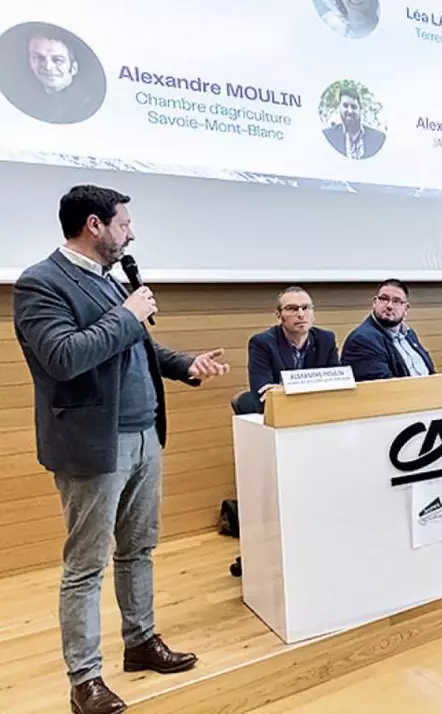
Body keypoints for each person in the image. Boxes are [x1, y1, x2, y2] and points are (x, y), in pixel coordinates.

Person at [12, 185, 230, 714]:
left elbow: (139, 346)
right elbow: (64, 357)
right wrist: (128, 314)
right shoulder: (41, 284)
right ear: (95, 224)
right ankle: (84, 680)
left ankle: (140, 641)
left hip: (143, 434)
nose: (131, 232)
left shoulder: (108, 283)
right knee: (86, 563)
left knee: (139, 549)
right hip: (92, 444)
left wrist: (186, 366)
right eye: (124, 222)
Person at [247, 286, 340, 412]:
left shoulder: (326, 339)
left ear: (313, 314)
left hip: (320, 412)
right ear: (279, 316)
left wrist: (287, 389)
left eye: (306, 308)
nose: (301, 314)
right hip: (281, 416)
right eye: (292, 309)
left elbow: (337, 386)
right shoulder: (262, 343)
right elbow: (264, 397)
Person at [341, 279, 434, 381]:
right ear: (375, 302)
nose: (389, 306)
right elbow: (385, 388)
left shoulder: (409, 334)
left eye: (396, 301)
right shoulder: (362, 340)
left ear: (406, 308)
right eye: (384, 299)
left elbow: (430, 371)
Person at [322, 86, 386, 159]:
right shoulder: (328, 136)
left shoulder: (378, 138)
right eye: (345, 106)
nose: (350, 111)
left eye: (353, 107)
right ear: (339, 108)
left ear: (360, 109)